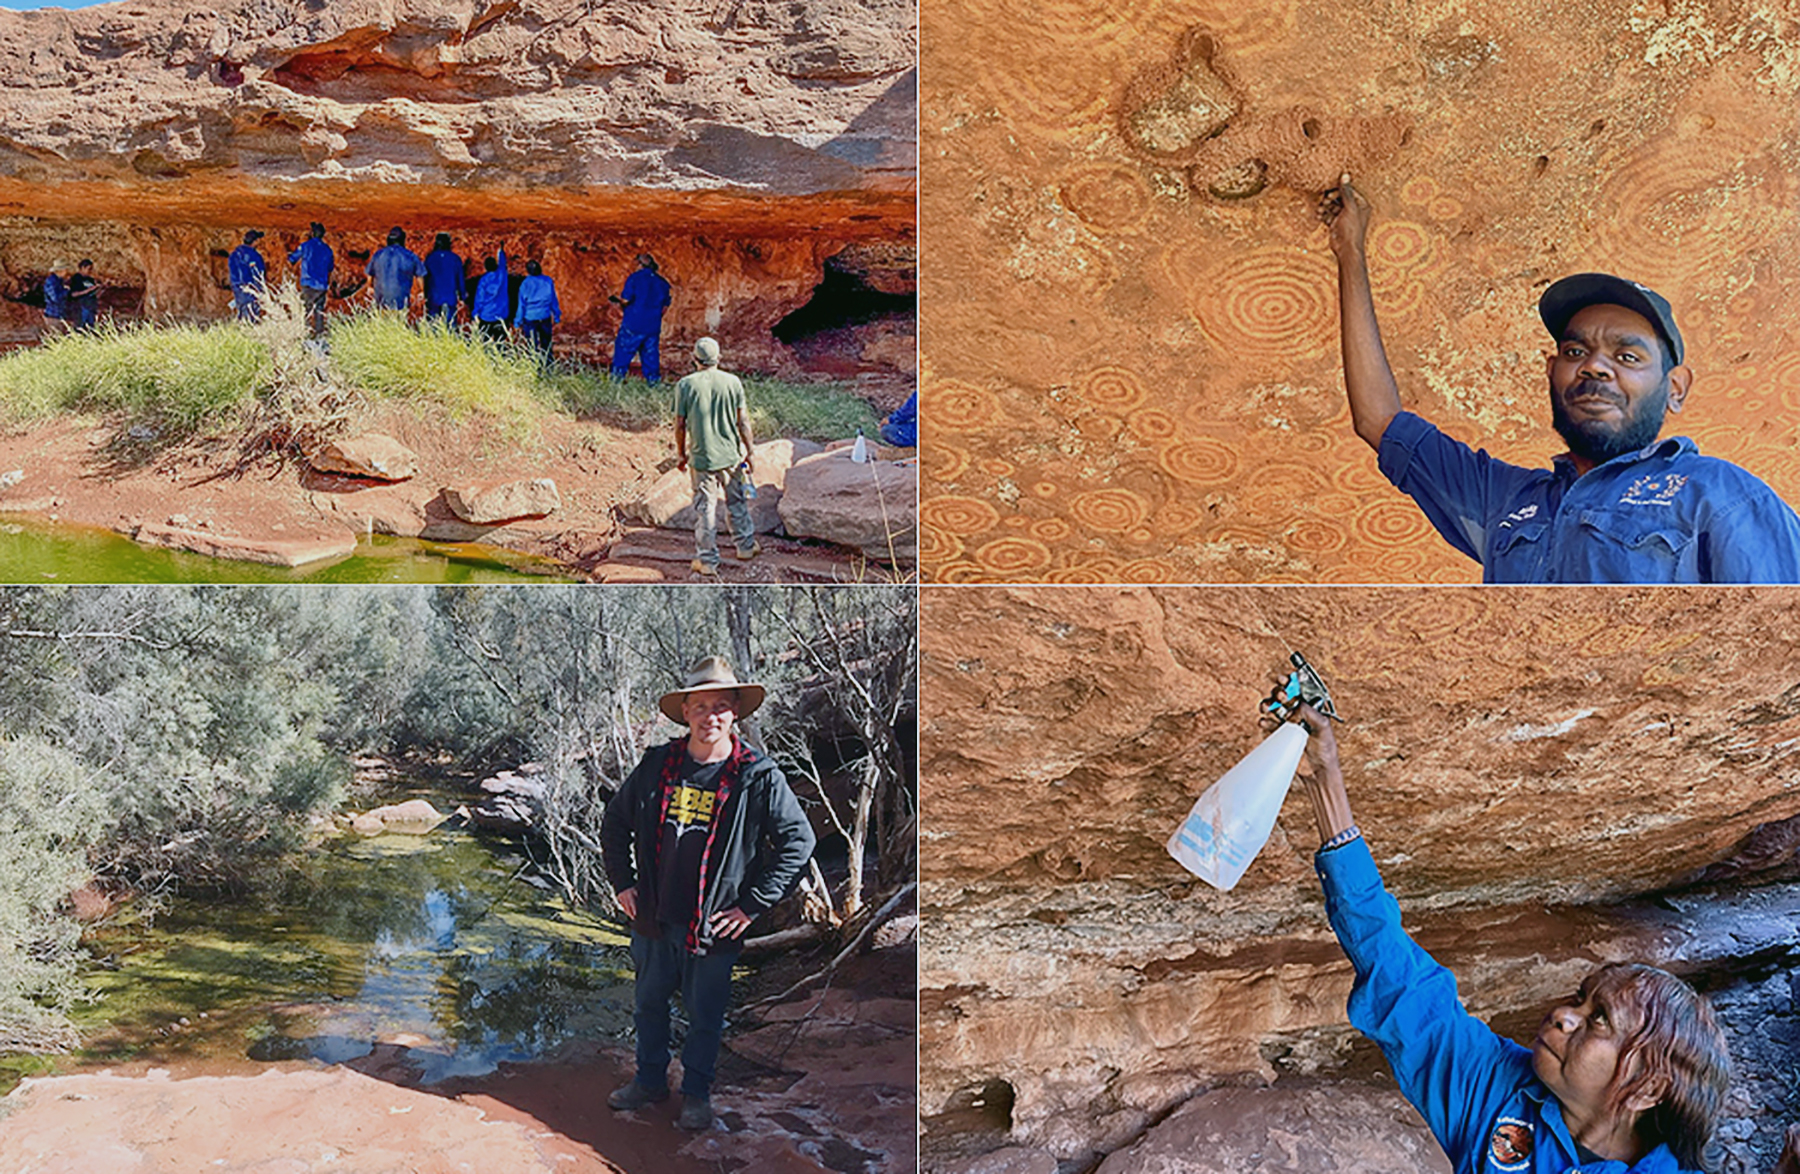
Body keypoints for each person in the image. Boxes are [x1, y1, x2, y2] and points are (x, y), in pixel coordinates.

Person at [1277, 698, 1731, 1174]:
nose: (1562, 1016)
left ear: (1649, 1088)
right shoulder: (1497, 1088)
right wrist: (1325, 784)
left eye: (1598, 1019)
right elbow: (1400, 980)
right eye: (1580, 999)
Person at [1323, 173, 1800, 583]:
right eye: (1575, 351)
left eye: (1628, 356)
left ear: (1675, 389)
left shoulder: (1720, 494)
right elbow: (1379, 420)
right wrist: (1350, 252)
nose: (1595, 365)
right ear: (1553, 373)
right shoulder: (1504, 500)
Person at [599, 656, 815, 1133]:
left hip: (714, 923)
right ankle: (650, 1081)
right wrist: (623, 882)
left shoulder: (756, 775)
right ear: (686, 712)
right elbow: (615, 821)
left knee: (705, 1016)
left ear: (735, 712)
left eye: (720, 706)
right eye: (700, 706)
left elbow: (799, 841)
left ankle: (696, 1094)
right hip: (655, 915)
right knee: (648, 1004)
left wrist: (753, 904)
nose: (710, 716)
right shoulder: (658, 764)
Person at [674, 337, 759, 576]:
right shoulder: (733, 382)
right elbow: (743, 421)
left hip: (702, 459)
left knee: (706, 511)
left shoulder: (685, 385)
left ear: (694, 359)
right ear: (718, 359)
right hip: (730, 457)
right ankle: (745, 546)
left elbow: (680, 424)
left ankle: (708, 561)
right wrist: (750, 451)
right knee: (737, 503)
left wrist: (681, 454)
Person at [610, 253, 673, 383]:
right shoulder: (662, 283)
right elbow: (665, 307)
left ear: (639, 264)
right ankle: (654, 385)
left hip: (634, 323)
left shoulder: (634, 278)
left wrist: (618, 302)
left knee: (622, 355)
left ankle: (615, 383)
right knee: (651, 357)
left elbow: (626, 300)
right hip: (652, 326)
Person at [288, 222, 334, 338]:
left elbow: (292, 259)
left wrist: (288, 255)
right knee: (319, 310)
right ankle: (319, 333)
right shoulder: (328, 250)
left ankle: (306, 333)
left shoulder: (305, 246)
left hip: (308, 283)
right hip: (321, 285)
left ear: (312, 233)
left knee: (306, 309)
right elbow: (330, 267)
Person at [367, 227, 425, 313]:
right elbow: (420, 275)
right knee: (399, 320)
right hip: (401, 301)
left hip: (381, 299)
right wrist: (422, 291)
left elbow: (370, 273)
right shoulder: (410, 256)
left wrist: (370, 287)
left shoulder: (378, 255)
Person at [512, 259, 560, 361]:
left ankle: (534, 366)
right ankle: (548, 366)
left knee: (531, 345)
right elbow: (553, 300)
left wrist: (517, 322)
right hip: (545, 316)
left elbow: (521, 305)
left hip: (530, 318)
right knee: (546, 344)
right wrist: (556, 316)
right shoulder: (548, 281)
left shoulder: (525, 284)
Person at [422, 232, 466, 326]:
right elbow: (460, 279)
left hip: (433, 297)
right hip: (450, 297)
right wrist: (462, 295)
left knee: (433, 325)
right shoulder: (455, 259)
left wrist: (426, 295)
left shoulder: (430, 258)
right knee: (450, 326)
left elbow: (426, 278)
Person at [470, 247, 510, 345]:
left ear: (485, 267)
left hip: (486, 316)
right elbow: (503, 264)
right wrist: (501, 251)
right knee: (500, 343)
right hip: (501, 315)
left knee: (485, 343)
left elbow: (479, 299)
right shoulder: (502, 275)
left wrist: (475, 313)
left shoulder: (483, 280)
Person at [229, 230, 268, 322]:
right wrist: (260, 290)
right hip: (251, 289)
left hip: (237, 288)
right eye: (258, 240)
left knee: (242, 313)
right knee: (252, 315)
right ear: (255, 241)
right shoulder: (254, 256)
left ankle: (241, 333)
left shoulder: (234, 254)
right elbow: (257, 274)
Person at [39, 260, 71, 340]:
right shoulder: (51, 281)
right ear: (61, 270)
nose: (67, 272)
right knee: (56, 338)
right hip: (53, 315)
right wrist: (66, 291)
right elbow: (55, 298)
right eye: (66, 270)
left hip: (58, 314)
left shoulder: (58, 281)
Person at [67, 259, 101, 332]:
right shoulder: (76, 279)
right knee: (80, 329)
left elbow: (95, 294)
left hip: (91, 307)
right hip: (80, 308)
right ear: (82, 268)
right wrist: (88, 290)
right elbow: (73, 294)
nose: (90, 271)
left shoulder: (90, 279)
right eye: (89, 269)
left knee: (91, 329)